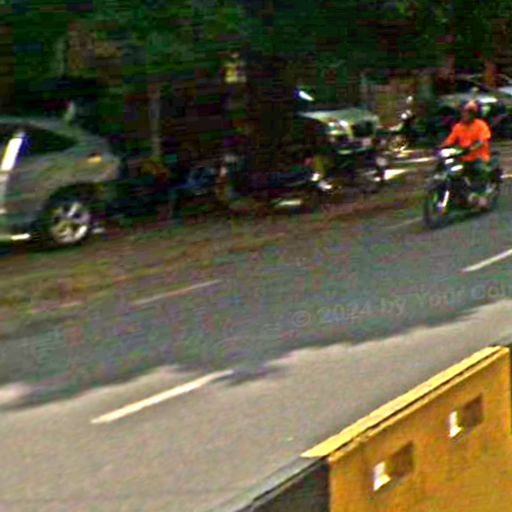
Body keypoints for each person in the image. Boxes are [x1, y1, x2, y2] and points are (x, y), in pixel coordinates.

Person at [442, 100, 492, 205]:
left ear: (473, 114)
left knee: (480, 170)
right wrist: (441, 147)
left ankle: (482, 196)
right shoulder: (458, 127)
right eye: (463, 112)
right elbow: (450, 140)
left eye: (467, 113)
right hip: (462, 157)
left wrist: (472, 148)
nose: (464, 115)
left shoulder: (481, 125)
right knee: (452, 173)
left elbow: (482, 141)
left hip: (479, 157)